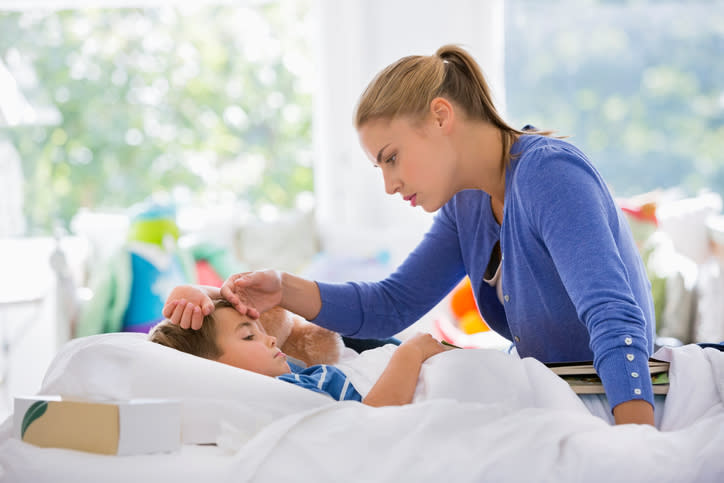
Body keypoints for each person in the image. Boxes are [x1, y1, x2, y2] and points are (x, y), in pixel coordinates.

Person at [164, 44, 657, 426]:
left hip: (604, 392)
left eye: (391, 157)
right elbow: (390, 304)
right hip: (545, 386)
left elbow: (614, 316)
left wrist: (636, 440)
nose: (388, 183)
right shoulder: (467, 202)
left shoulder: (549, 174)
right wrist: (283, 289)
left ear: (441, 116)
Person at [152, 297, 447, 406]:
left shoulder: (284, 379)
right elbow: (375, 414)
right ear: (212, 369)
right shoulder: (286, 392)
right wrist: (411, 352)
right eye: (249, 336)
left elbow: (230, 300)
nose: (270, 341)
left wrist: (191, 291)